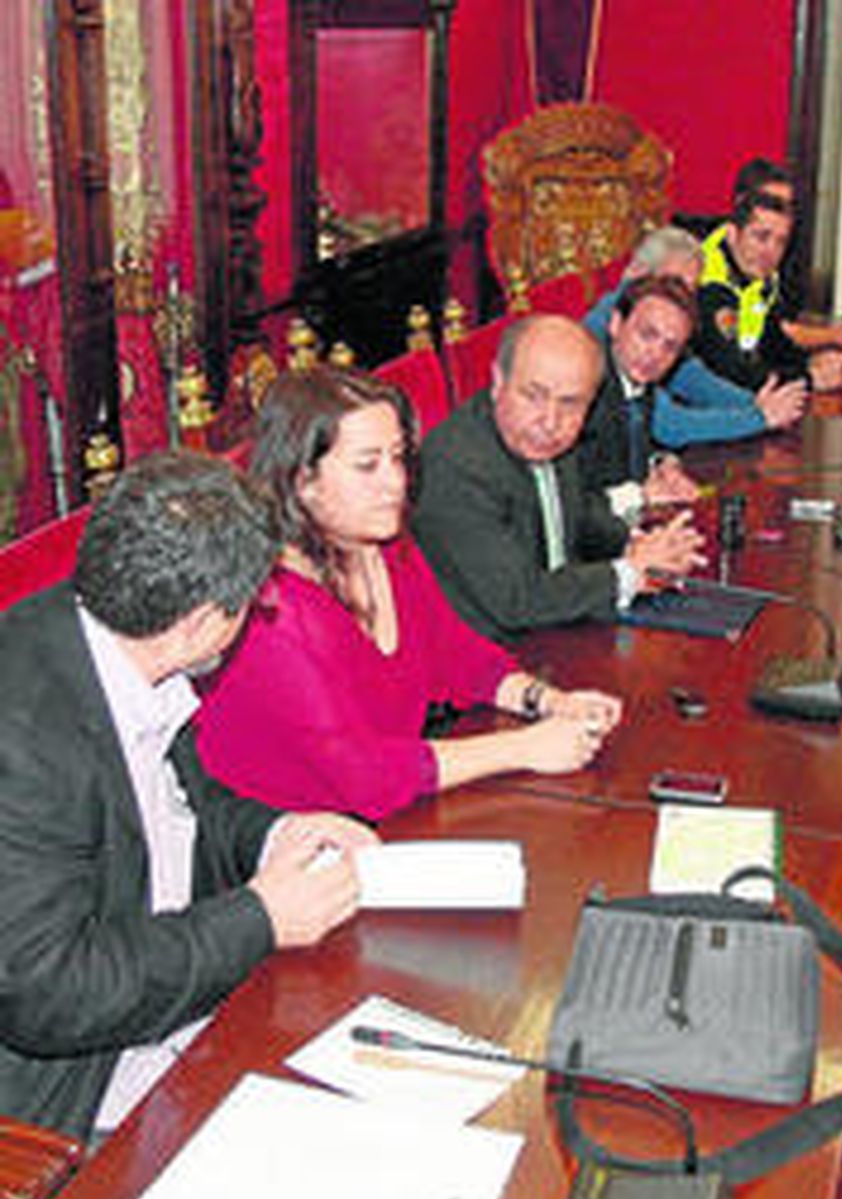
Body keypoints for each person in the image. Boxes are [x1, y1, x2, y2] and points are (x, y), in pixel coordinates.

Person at [0, 452, 377, 1139]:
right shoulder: (24, 739)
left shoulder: (127, 642)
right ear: (203, 623)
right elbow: (49, 991)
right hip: (72, 1102)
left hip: (172, 1016)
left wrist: (279, 833)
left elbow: (190, 810)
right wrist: (261, 917)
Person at [195, 367, 621, 822]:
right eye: (367, 465)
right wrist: (524, 748)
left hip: (393, 809)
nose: (395, 482)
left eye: (397, 458)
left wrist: (548, 701)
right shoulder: (270, 610)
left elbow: (456, 655)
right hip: (298, 838)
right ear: (303, 481)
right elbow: (363, 777)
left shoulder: (385, 544)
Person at [413, 314, 706, 638]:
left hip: (558, 627)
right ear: (498, 382)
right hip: (492, 649)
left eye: (571, 403)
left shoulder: (551, 439)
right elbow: (516, 600)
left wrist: (636, 544)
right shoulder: (456, 465)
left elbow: (575, 514)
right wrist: (627, 573)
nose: (551, 421)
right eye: (533, 395)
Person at [583, 226, 808, 443]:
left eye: (692, 290)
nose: (685, 298)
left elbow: (694, 379)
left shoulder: (666, 326)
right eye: (675, 284)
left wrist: (755, 403)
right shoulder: (597, 335)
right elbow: (667, 424)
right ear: (638, 272)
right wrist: (757, 417)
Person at [695, 189, 842, 393]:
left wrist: (813, 361)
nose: (771, 251)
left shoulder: (758, 275)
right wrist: (809, 379)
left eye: (781, 241)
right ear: (732, 235)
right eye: (761, 237)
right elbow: (729, 370)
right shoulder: (708, 283)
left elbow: (771, 342)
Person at [577, 273, 707, 516]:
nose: (655, 355)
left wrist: (662, 465)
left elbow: (632, 451)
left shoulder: (638, 382)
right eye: (647, 335)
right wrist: (640, 495)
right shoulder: (583, 391)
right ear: (616, 324)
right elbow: (567, 504)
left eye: (670, 347)